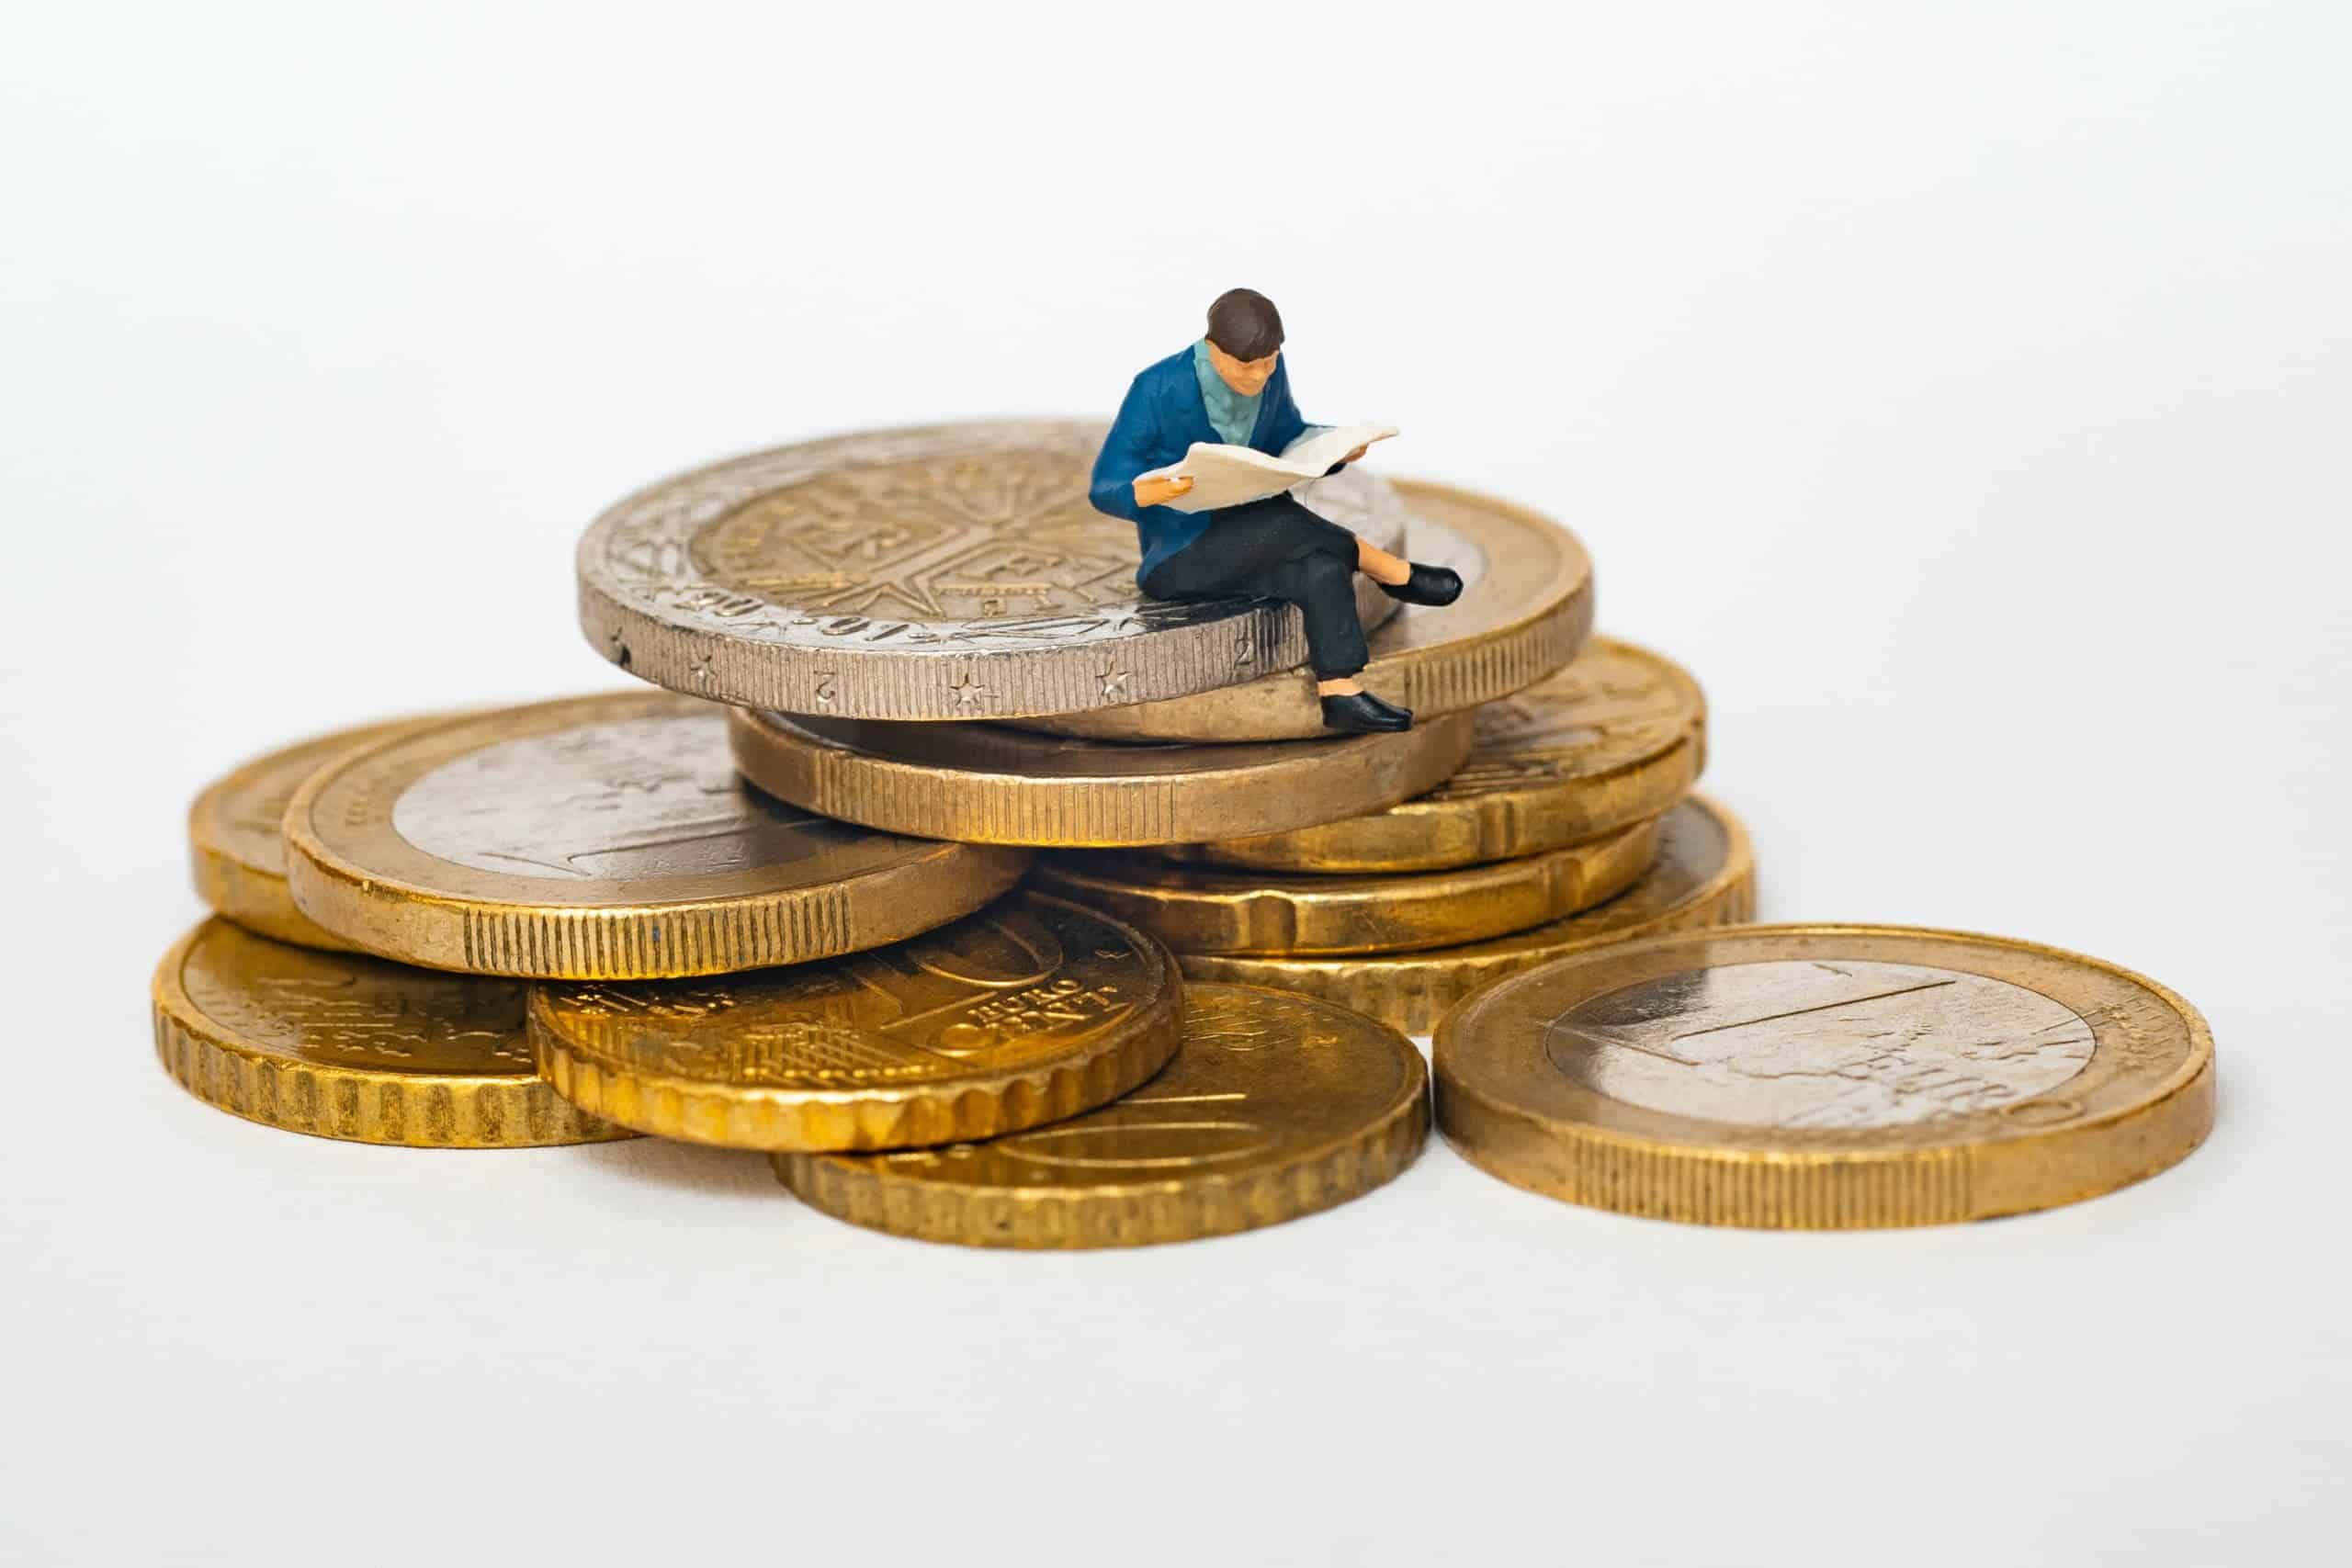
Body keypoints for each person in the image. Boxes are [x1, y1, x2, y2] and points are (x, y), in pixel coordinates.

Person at [1089, 288, 1462, 734]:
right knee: (1281, 522)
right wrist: (1146, 493)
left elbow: (1289, 434)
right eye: (1248, 366)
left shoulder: (1271, 370)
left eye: (1270, 361)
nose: (1261, 375)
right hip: (1181, 555)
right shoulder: (1158, 386)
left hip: (1258, 539)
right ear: (1213, 350)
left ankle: (1340, 692)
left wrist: (1333, 448)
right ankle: (1394, 573)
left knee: (1321, 567)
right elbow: (1104, 484)